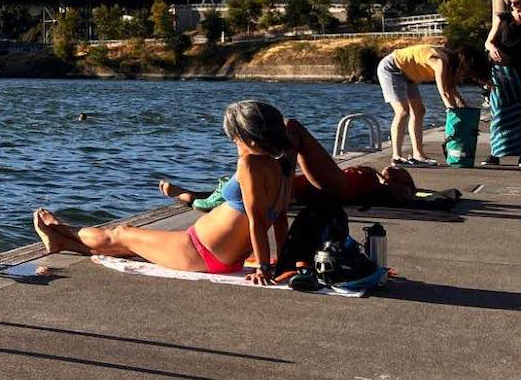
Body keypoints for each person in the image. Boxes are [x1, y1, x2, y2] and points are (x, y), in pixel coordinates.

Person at [33, 100, 292, 284]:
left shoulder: (249, 164)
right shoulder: (282, 166)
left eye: (235, 138)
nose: (234, 143)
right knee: (129, 247)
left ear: (250, 138)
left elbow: (257, 219)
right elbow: (278, 218)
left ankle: (61, 228)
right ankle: (62, 241)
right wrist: (281, 260)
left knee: (122, 234)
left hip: (199, 250)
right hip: (220, 255)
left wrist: (265, 268)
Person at [161, 161, 416, 209]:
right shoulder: (370, 178)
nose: (391, 167)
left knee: (206, 203)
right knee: (224, 194)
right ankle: (190, 194)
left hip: (283, 188)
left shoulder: (367, 184)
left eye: (398, 174)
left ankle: (183, 195)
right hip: (281, 184)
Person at [376, 43, 473, 166]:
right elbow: (443, 91)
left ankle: (418, 155)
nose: (463, 74)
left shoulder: (449, 61)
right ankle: (397, 157)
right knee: (402, 111)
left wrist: (463, 105)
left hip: (408, 73)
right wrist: (453, 111)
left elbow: (451, 89)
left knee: (419, 111)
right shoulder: (439, 62)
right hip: (392, 68)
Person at [484, 0, 521, 166]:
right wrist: (491, 48)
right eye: (514, 3)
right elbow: (488, 41)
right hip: (501, 72)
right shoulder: (503, 18)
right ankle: (494, 155)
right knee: (499, 112)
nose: (517, 7)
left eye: (520, 2)